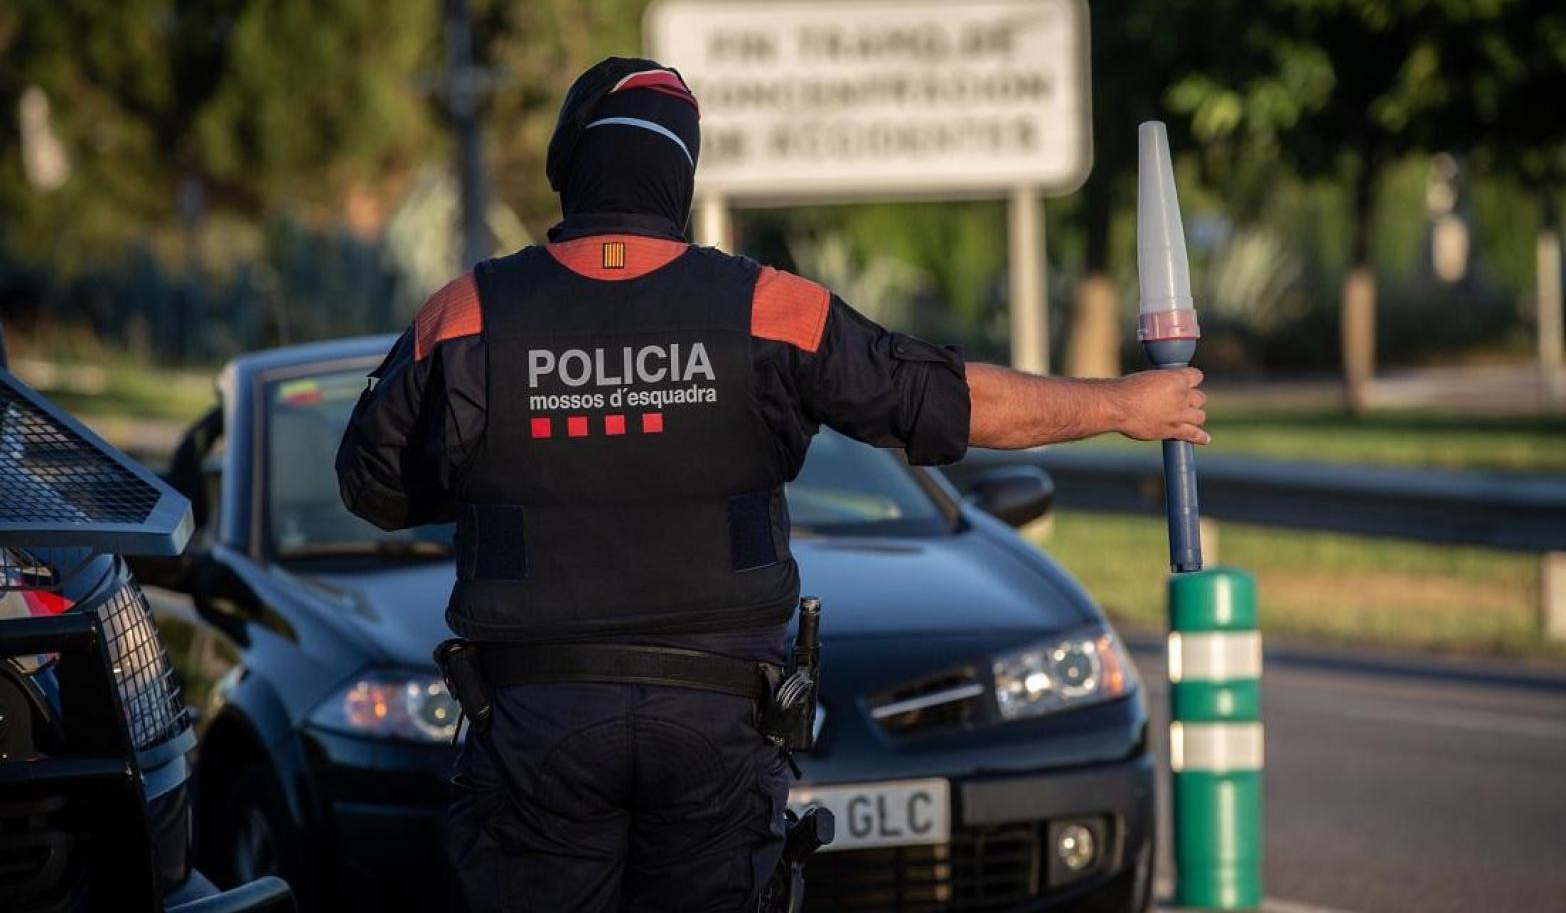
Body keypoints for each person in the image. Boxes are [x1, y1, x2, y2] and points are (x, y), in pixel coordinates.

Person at [335, 57, 1208, 913]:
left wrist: (509, 464)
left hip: (534, 724)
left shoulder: (468, 313)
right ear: (679, 176)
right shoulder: (769, 308)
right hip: (717, 725)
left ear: (570, 165)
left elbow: (371, 483)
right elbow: (950, 403)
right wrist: (1124, 404)